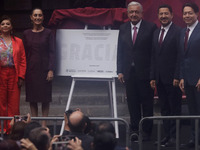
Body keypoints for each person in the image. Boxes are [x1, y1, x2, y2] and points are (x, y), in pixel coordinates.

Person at [117, 1, 157, 141]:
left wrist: (153, 74)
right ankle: (135, 130)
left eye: (136, 12)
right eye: (131, 12)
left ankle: (146, 132)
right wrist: (119, 71)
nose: (133, 14)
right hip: (129, 73)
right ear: (128, 13)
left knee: (147, 104)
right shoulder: (123, 28)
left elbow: (154, 52)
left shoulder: (151, 27)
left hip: (145, 73)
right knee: (132, 103)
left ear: (141, 13)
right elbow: (120, 51)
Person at [150, 4, 182, 147]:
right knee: (164, 108)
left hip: (173, 79)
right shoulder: (156, 32)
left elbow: (180, 56)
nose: (163, 16)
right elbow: (153, 57)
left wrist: (177, 75)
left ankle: (175, 137)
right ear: (158, 16)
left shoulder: (178, 32)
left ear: (172, 15)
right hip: (159, 78)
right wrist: (152, 77)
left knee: (175, 108)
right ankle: (167, 135)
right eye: (161, 14)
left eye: (166, 14)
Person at [23, 8, 55, 127]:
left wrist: (51, 69)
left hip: (45, 69)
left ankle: (44, 125)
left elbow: (52, 52)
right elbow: (24, 53)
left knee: (45, 98)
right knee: (33, 98)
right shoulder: (26, 33)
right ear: (31, 17)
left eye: (40, 15)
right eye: (35, 15)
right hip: (31, 69)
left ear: (43, 17)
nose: (37, 17)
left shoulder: (48, 32)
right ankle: (35, 124)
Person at [0, 15, 26, 133]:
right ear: (0, 27)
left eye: (7, 24)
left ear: (11, 27)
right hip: (1, 73)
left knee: (14, 103)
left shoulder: (18, 41)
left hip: (14, 73)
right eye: (3, 24)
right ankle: (1, 128)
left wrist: (21, 76)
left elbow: (22, 60)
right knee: (1, 102)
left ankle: (12, 128)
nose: (5, 25)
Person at [179, 2, 200, 148]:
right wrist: (181, 76)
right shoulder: (182, 32)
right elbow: (182, 57)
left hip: (199, 79)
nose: (187, 15)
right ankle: (195, 139)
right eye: (185, 13)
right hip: (188, 79)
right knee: (193, 112)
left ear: (196, 14)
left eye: (190, 13)